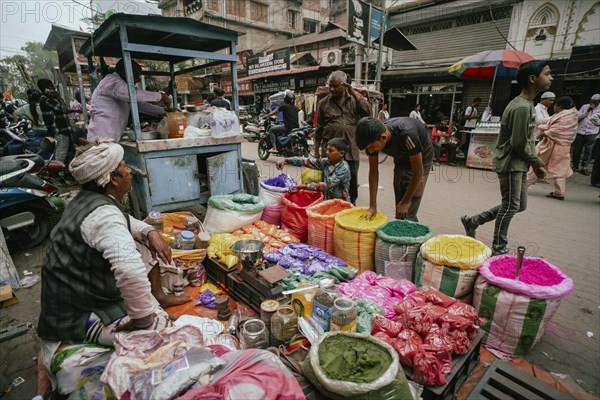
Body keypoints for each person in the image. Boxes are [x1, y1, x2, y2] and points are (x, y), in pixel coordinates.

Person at [461, 60, 552, 255]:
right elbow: (519, 142)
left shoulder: (527, 105)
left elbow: (525, 140)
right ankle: (499, 246)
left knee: (518, 205)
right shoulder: (521, 107)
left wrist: (534, 160)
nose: (551, 78)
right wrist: (536, 162)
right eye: (547, 74)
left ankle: (474, 221)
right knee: (511, 206)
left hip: (519, 163)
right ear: (533, 79)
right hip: (511, 163)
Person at [355, 116, 434, 221]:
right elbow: (373, 172)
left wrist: (406, 202)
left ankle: (413, 231)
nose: (370, 151)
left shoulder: (408, 134)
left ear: (383, 138)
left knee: (408, 209)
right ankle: (403, 225)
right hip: (401, 160)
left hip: (422, 161)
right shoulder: (374, 139)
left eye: (371, 147)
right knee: (400, 210)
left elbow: (418, 172)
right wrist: (372, 206)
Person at [314, 71, 371, 204]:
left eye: (336, 86)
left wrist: (353, 92)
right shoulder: (323, 103)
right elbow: (319, 129)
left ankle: (350, 209)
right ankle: (328, 209)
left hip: (350, 152)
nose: (332, 89)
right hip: (330, 154)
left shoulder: (354, 100)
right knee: (328, 186)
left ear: (345, 86)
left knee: (351, 187)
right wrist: (317, 153)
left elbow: (368, 112)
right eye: (330, 86)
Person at [87, 59, 170, 143]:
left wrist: (166, 111)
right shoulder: (112, 81)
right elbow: (131, 95)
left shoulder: (122, 87)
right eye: (136, 76)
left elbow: (140, 105)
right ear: (125, 72)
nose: (138, 80)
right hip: (101, 138)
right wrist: (161, 96)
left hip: (110, 138)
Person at [527, 96, 578, 200]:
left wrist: (544, 132)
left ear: (559, 106)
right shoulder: (571, 115)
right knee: (560, 170)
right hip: (563, 146)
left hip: (554, 145)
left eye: (554, 103)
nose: (552, 105)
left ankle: (523, 185)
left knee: (538, 164)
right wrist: (544, 130)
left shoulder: (565, 117)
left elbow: (556, 130)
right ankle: (559, 192)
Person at [276, 137, 351, 201]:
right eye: (327, 150)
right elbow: (306, 161)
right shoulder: (326, 162)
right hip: (327, 201)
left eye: (331, 151)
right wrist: (286, 160)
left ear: (341, 153)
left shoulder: (344, 168)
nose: (327, 153)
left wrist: (305, 186)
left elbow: (327, 185)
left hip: (340, 203)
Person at [38, 79, 76, 163]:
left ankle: (58, 171)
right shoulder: (47, 99)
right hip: (60, 131)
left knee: (60, 153)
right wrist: (58, 97)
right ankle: (58, 173)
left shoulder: (47, 99)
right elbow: (63, 109)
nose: (54, 88)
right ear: (47, 88)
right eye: (51, 86)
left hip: (60, 130)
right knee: (60, 155)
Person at [572, 94, 600, 176]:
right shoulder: (585, 106)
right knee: (577, 149)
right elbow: (578, 117)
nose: (592, 103)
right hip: (580, 131)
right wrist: (587, 110)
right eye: (591, 101)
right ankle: (575, 166)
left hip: (592, 132)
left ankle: (584, 167)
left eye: (594, 102)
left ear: (598, 102)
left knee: (588, 150)